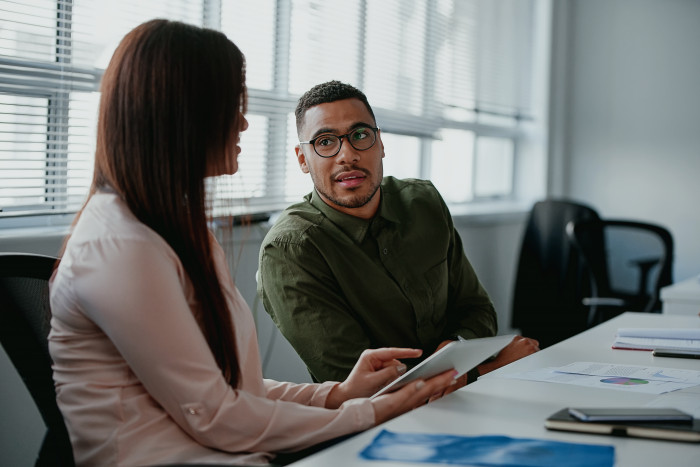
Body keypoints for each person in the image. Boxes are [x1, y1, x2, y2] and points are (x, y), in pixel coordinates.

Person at [48, 21, 458, 467]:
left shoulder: (171, 229)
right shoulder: (120, 245)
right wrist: (371, 410)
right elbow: (217, 415)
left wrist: (337, 395)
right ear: (183, 115)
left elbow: (227, 388)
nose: (243, 122)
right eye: (233, 106)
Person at [257, 80, 539, 388]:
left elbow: (477, 309)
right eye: (325, 142)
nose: (347, 155)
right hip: (375, 425)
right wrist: (485, 369)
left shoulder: (423, 202)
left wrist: (456, 345)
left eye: (360, 135)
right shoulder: (291, 249)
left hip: (468, 400)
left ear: (380, 144)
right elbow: (360, 385)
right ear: (302, 159)